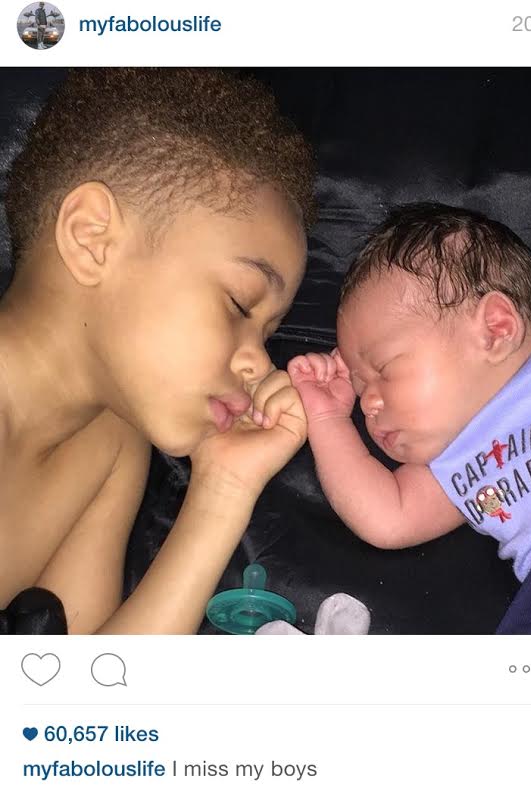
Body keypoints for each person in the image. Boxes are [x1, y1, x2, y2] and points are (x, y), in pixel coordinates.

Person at [0, 68, 315, 634]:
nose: (260, 365)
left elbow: (95, 684)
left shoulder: (111, 445)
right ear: (92, 238)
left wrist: (223, 490)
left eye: (267, 335)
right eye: (240, 304)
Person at [288, 202, 531, 587]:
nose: (367, 403)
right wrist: (328, 417)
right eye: (359, 386)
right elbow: (388, 518)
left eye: (384, 369)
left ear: (495, 330)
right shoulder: (461, 466)